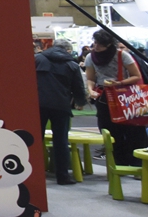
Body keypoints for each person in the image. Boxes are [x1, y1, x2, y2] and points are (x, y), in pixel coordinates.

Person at [85, 30, 148, 167]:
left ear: (108, 45)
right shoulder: (91, 57)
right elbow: (90, 78)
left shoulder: (122, 55)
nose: (96, 47)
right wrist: (90, 90)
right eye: (95, 43)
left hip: (125, 97)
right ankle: (117, 163)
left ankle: (137, 163)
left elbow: (136, 76)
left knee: (133, 130)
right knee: (109, 130)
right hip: (104, 98)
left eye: (100, 45)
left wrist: (119, 83)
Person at [36, 39, 88, 185]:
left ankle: (34, 173)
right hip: (61, 105)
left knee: (35, 140)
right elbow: (78, 87)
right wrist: (81, 102)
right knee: (61, 141)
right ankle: (63, 176)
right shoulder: (72, 64)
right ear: (67, 50)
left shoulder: (38, 59)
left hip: (39, 104)